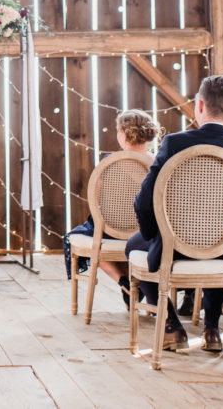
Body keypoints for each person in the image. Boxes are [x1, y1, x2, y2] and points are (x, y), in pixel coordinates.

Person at [125, 75, 223, 354]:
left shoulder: (175, 144)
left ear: (199, 105)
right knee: (216, 242)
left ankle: (172, 327)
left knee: (133, 244)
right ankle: (212, 329)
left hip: (178, 245)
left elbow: (144, 202)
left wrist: (155, 236)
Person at [64, 110, 161, 308]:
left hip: (110, 232)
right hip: (144, 234)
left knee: (86, 240)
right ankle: (136, 287)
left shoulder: (109, 163)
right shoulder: (157, 164)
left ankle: (123, 282)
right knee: (129, 244)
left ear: (123, 134)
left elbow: (96, 200)